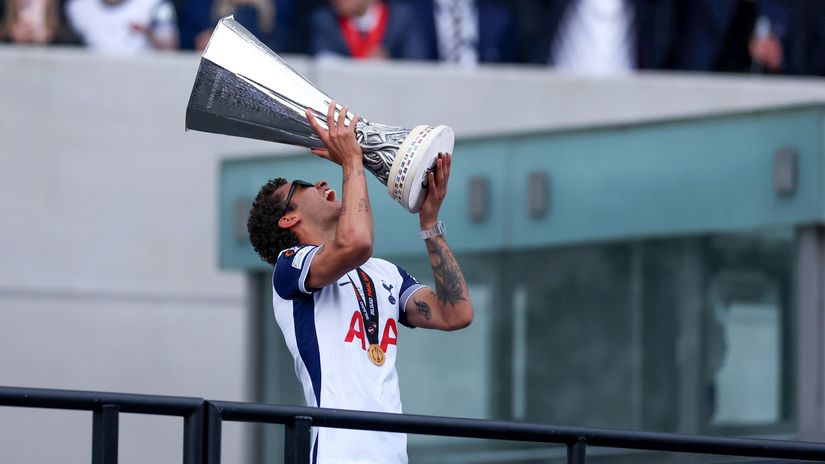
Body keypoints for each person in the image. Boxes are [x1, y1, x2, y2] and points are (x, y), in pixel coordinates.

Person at [246, 101, 474, 463]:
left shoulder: (385, 273)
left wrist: (430, 222)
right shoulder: (289, 268)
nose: (322, 182)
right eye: (304, 185)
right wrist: (352, 161)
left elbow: (456, 313)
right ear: (288, 220)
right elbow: (357, 243)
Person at [309, 0, 430, 60]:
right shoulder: (324, 20)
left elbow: (416, 63)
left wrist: (390, 66)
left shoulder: (401, 18)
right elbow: (323, 62)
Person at [65, 0, 178, 53]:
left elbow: (170, 49)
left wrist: (150, 34)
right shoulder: (78, 7)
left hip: (143, 80)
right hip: (92, 81)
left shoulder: (156, 4)